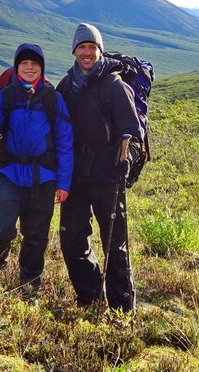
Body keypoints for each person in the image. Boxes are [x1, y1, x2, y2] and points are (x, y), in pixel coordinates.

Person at [0, 43, 73, 294]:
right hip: (10, 174)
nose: (30, 68)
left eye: (35, 64)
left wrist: (63, 183)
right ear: (17, 67)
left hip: (44, 177)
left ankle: (30, 282)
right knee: (0, 224)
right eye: (24, 64)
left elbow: (65, 142)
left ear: (42, 68)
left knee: (36, 233)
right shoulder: (4, 97)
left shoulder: (53, 99)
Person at [56, 23, 142, 312]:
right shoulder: (66, 86)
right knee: (71, 240)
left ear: (99, 50)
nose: (87, 52)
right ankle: (90, 297)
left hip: (108, 176)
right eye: (82, 47)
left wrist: (126, 159)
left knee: (115, 245)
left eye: (92, 47)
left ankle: (122, 309)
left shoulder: (115, 86)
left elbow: (133, 133)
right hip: (75, 176)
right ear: (74, 52)